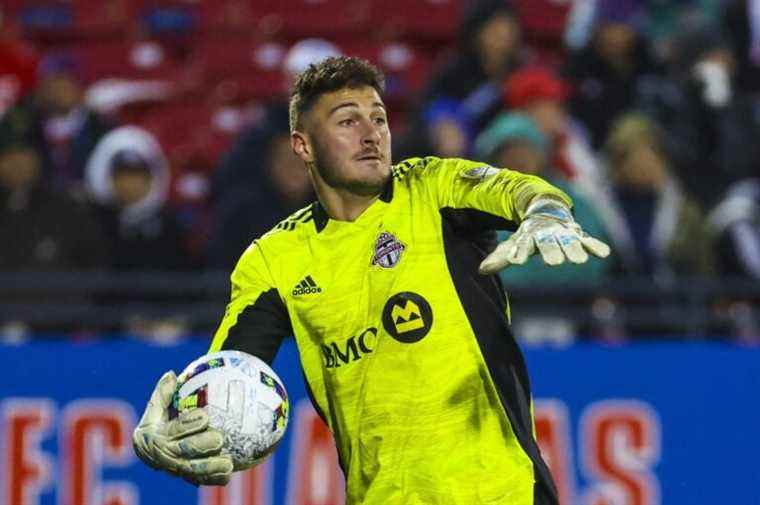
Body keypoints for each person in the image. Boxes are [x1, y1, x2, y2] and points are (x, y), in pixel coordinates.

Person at [132, 57, 609, 504]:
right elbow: (227, 382)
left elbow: (515, 187)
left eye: (378, 118)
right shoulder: (274, 260)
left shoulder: (431, 188)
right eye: (347, 121)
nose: (371, 134)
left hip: (502, 491)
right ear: (304, 145)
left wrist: (546, 210)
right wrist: (176, 431)